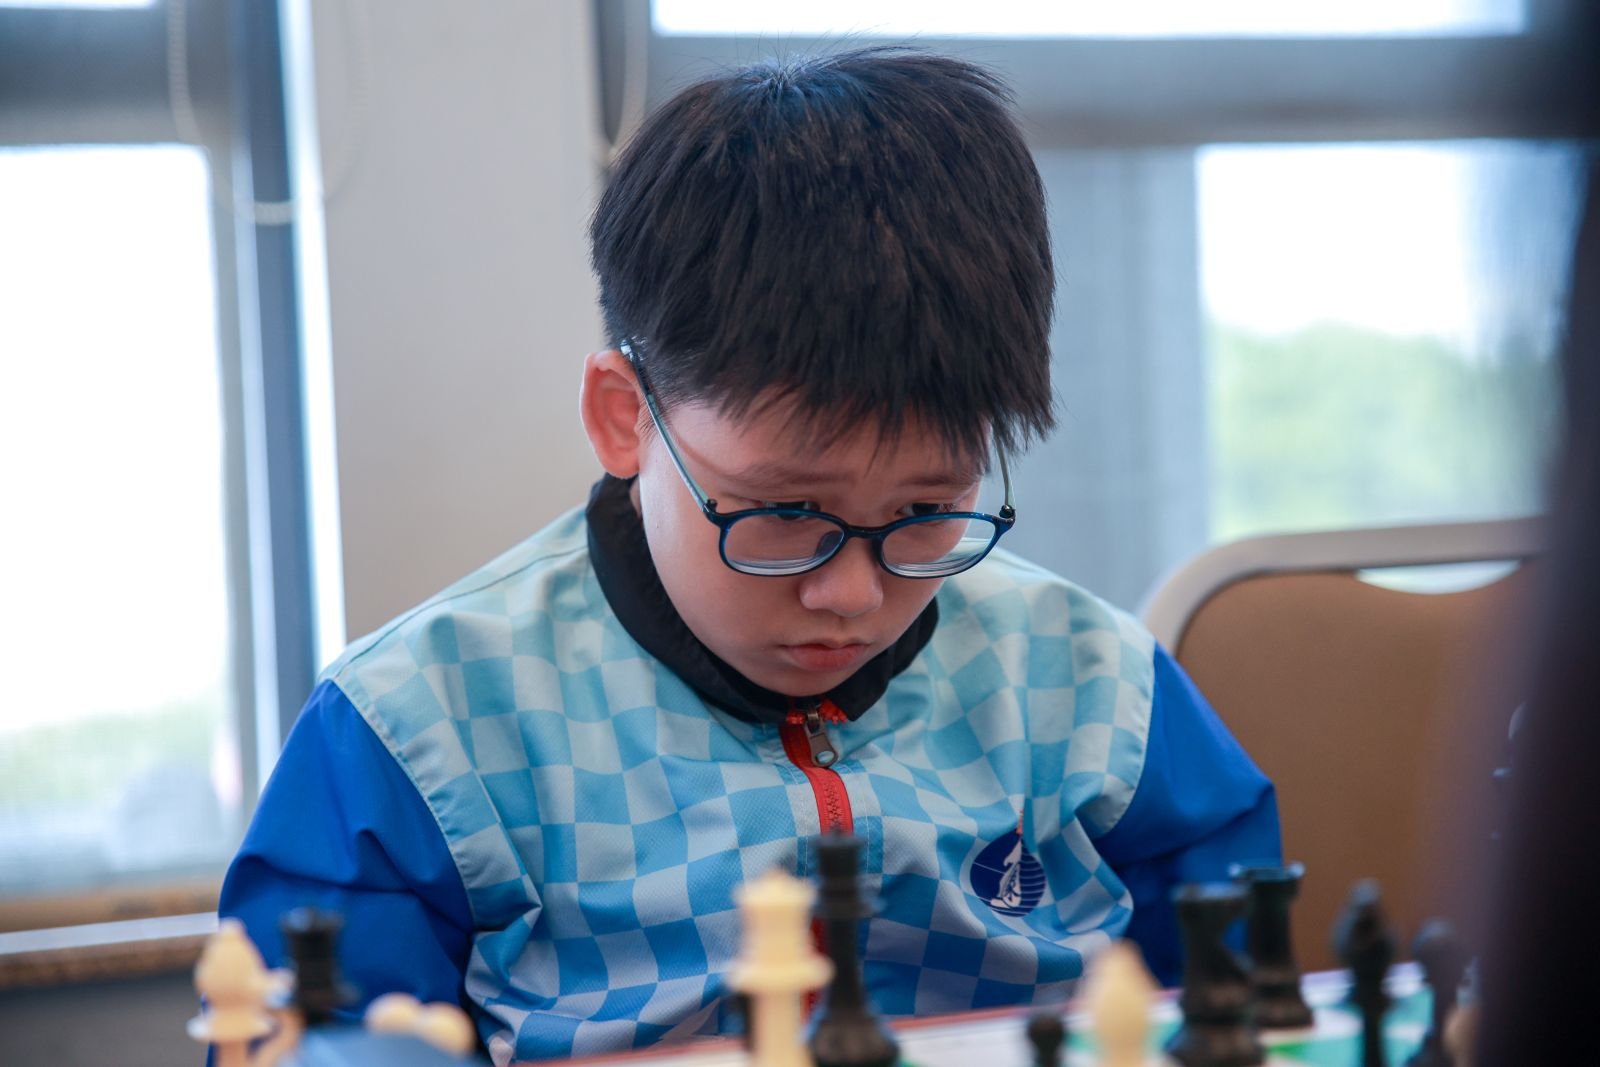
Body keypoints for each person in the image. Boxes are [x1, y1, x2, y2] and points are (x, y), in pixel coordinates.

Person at [220, 47, 1279, 1064]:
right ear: (625, 416)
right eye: (782, 511)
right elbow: (315, 1037)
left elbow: (1247, 1004)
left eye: (926, 508)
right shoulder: (422, 727)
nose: (851, 594)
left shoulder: (1096, 691)